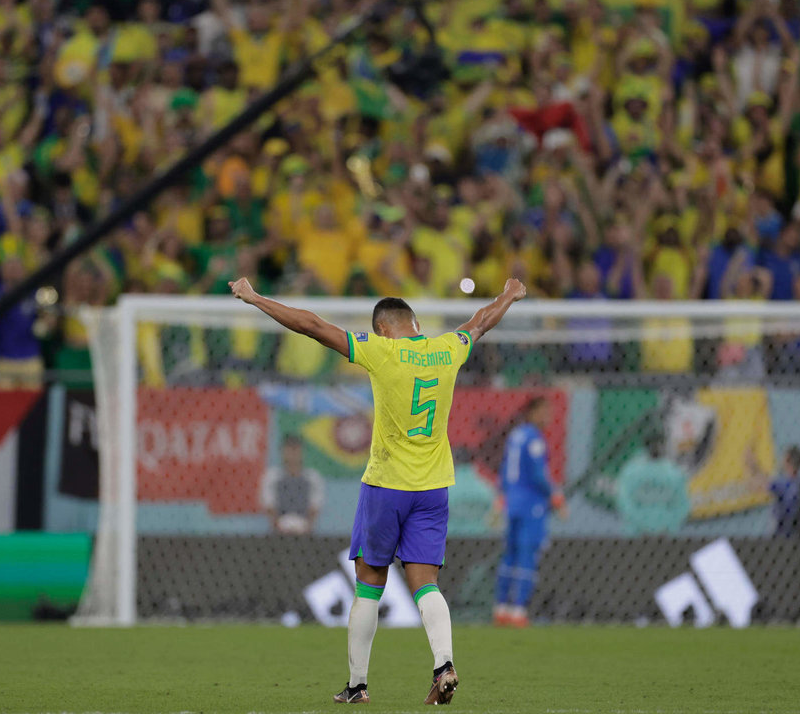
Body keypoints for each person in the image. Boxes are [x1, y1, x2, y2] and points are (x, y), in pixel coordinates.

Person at [229, 275, 527, 706]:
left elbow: (312, 325)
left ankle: (357, 684)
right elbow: (481, 321)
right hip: (433, 488)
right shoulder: (447, 349)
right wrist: (509, 295)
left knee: (369, 584)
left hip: (386, 486)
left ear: (383, 328)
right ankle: (444, 663)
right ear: (416, 323)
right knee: (426, 585)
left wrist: (255, 299)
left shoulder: (381, 350)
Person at [493, 396, 567, 628]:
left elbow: (505, 469)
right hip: (531, 505)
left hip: (513, 501)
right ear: (533, 413)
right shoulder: (535, 439)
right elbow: (537, 474)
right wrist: (554, 495)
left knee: (510, 555)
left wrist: (503, 495)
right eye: (545, 412)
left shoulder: (516, 435)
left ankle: (501, 608)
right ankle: (518, 610)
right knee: (527, 555)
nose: (548, 417)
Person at [615, 429, 689, 536]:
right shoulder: (631, 471)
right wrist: (640, 527)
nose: (656, 447)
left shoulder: (674, 472)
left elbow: (682, 503)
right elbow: (625, 501)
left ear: (664, 446)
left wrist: (669, 527)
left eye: (660, 444)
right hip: (636, 535)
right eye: (653, 444)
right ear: (646, 446)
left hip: (666, 536)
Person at [258, 435, 324, 534]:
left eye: (296, 450)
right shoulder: (271, 477)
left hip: (306, 533)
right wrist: (280, 529)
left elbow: (314, 509)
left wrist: (305, 529)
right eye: (289, 450)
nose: (293, 454)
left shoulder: (313, 478)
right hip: (278, 533)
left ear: (302, 452)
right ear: (282, 452)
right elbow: (270, 508)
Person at [756, 445, 800, 538]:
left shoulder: (786, 484)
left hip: (783, 535)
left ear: (787, 460)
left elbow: (764, 483)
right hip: (799, 536)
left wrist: (753, 465)